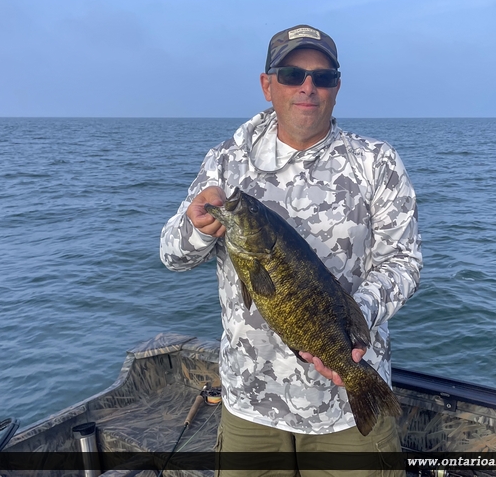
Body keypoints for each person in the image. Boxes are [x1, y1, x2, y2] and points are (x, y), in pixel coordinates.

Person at [160, 24, 422, 476]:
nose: (307, 87)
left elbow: (405, 262)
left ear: (337, 87)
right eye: (291, 74)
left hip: (345, 398)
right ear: (267, 84)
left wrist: (351, 318)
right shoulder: (226, 161)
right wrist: (198, 228)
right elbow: (171, 255)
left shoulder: (376, 162)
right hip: (251, 403)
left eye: (323, 77)